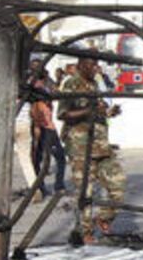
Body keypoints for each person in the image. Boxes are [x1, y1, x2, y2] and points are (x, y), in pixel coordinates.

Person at [59, 56, 124, 241]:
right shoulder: (72, 84)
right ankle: (85, 232)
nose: (96, 68)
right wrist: (88, 111)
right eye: (91, 64)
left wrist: (110, 112)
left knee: (118, 184)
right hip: (81, 148)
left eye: (97, 64)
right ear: (81, 66)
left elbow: (99, 110)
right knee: (85, 193)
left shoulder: (94, 85)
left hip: (101, 146)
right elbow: (64, 114)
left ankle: (104, 217)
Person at [28, 62, 65, 196]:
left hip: (48, 124)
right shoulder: (32, 85)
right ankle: (42, 187)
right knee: (39, 158)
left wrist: (58, 80)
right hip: (40, 124)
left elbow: (56, 92)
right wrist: (37, 125)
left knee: (58, 156)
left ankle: (58, 184)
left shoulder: (46, 82)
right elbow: (35, 105)